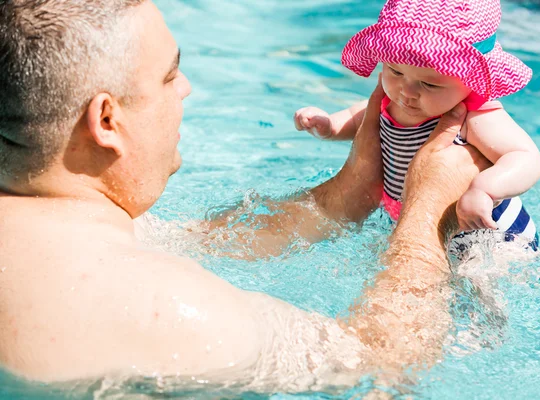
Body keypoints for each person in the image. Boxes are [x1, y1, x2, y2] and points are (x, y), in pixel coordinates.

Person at [0, 0, 489, 393]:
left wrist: (351, 189)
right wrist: (427, 216)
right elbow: (379, 361)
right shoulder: (175, 311)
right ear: (106, 121)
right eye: (170, 76)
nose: (186, 89)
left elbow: (195, 239)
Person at [294, 0, 540, 247]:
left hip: (492, 234)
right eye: (395, 71)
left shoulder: (474, 115)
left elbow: (525, 157)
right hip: (418, 221)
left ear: (472, 80)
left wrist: (485, 190)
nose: (407, 91)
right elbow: (356, 119)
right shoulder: (390, 102)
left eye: (430, 84)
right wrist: (328, 125)